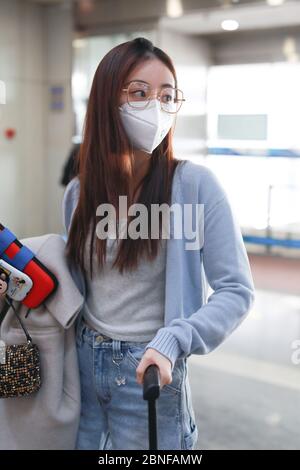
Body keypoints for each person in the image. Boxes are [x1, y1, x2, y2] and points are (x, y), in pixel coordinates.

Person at [62, 37, 255, 450]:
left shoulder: (195, 185)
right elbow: (77, 283)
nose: (156, 107)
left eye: (167, 96)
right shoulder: (79, 193)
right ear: (106, 102)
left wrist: (174, 340)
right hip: (82, 366)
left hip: (149, 371)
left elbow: (236, 290)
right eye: (139, 93)